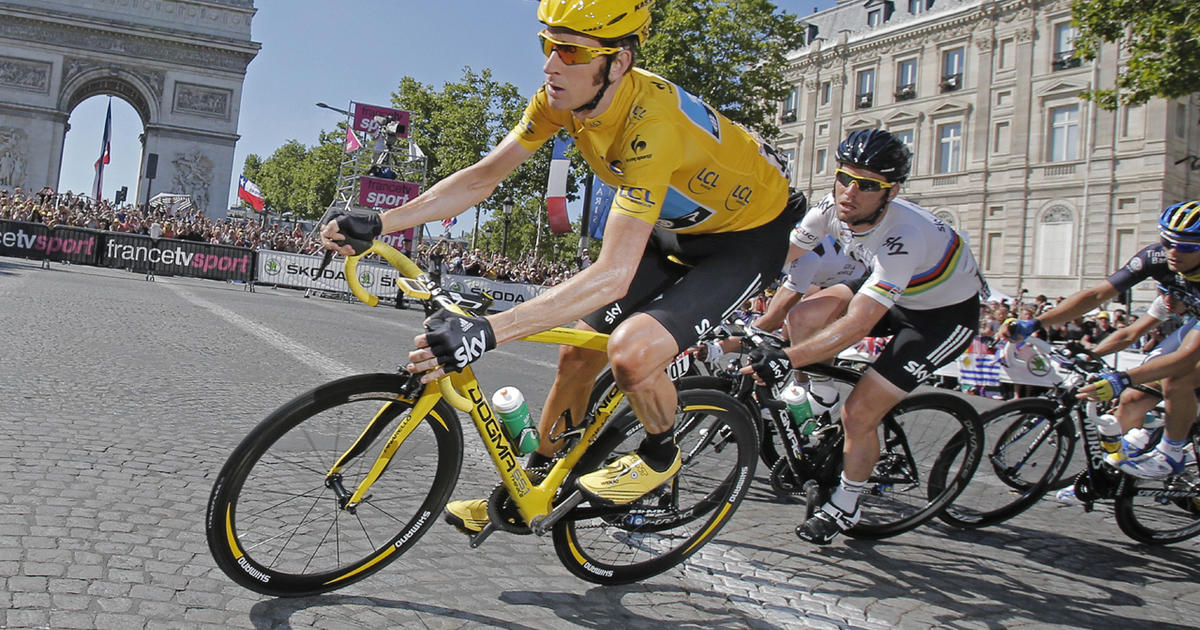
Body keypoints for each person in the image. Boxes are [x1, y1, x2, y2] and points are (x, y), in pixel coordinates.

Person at [321, 0, 799, 535]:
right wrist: (383, 221)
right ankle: (539, 483)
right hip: (675, 228)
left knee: (632, 353)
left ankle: (661, 453)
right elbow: (484, 177)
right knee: (576, 352)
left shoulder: (651, 127)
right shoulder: (561, 100)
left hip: (744, 239)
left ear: (617, 62)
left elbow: (613, 275)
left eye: (570, 51)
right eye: (547, 44)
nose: (551, 64)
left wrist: (489, 331)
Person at [741, 129, 986, 544]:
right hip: (898, 291)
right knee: (804, 316)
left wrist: (787, 358)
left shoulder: (903, 235)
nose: (850, 192)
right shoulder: (829, 209)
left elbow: (857, 324)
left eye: (868, 185)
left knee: (859, 414)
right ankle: (822, 395)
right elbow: (776, 259)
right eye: (844, 177)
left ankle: (848, 504)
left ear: (891, 192)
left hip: (941, 318)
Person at [1010, 200, 1200, 478]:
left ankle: (1171, 455)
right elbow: (1099, 297)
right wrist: (1038, 322)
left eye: (1185, 246)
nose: (1172, 251)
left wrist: (1122, 377)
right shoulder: (1159, 261)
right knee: (1133, 397)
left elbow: (1186, 357)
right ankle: (1102, 478)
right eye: (1167, 241)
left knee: (1177, 376)